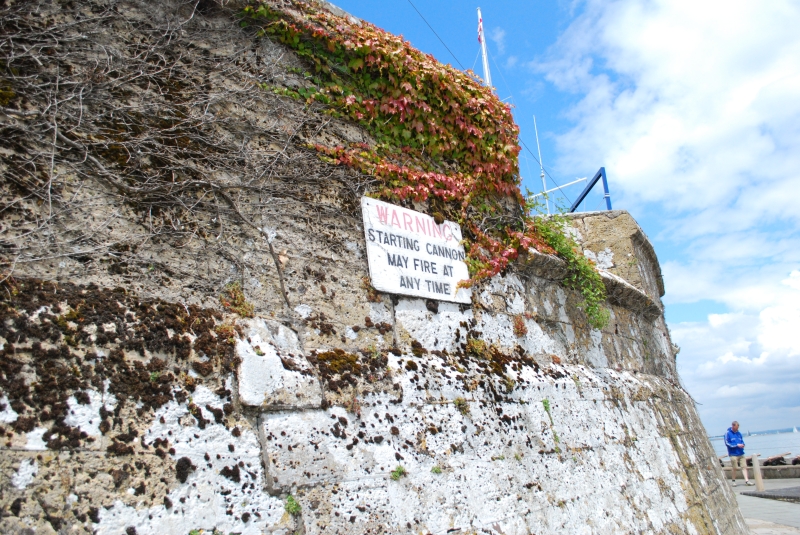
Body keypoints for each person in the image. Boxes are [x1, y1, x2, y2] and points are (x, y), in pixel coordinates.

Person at [725, 421, 754, 486]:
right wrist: (736, 445)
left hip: (741, 453)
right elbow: (727, 443)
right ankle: (733, 481)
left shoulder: (739, 434)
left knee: (744, 467)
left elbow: (742, 441)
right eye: (736, 428)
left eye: (737, 428)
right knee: (735, 467)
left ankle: (747, 481)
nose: (737, 429)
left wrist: (743, 445)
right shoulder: (728, 433)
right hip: (733, 454)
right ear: (733, 426)